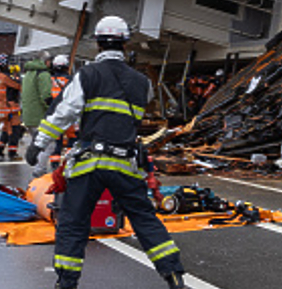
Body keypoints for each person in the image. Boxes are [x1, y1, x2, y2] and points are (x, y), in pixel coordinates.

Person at [26, 16, 187, 289]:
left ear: (98, 43)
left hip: (89, 164)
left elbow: (63, 113)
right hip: (125, 164)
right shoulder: (141, 83)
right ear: (125, 44)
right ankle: (173, 275)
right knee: (144, 219)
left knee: (73, 222)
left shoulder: (87, 75)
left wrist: (38, 144)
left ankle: (66, 282)